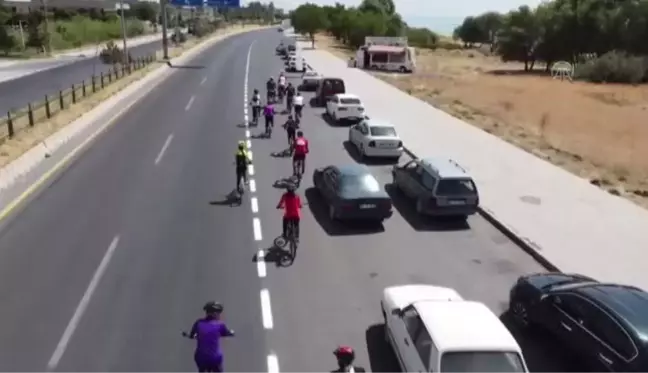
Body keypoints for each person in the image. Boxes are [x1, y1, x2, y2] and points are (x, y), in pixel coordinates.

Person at [186, 301, 235, 373]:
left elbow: (192, 335)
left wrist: (191, 335)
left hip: (201, 358)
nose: (219, 315)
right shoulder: (220, 324)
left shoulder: (198, 322)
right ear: (215, 313)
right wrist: (232, 332)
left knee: (201, 366)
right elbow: (226, 333)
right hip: (215, 358)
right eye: (219, 313)